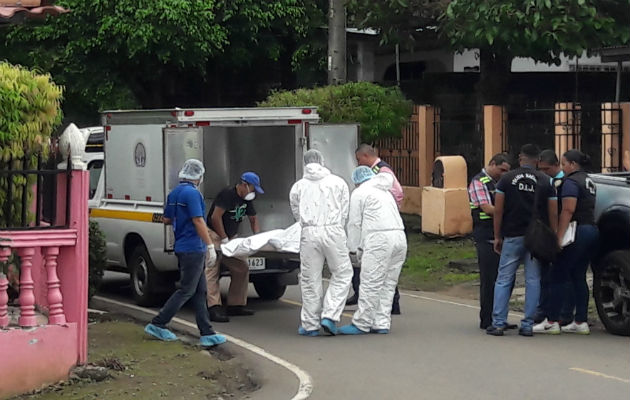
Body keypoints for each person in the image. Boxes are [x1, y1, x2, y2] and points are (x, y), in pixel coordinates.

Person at [144, 159, 226, 347]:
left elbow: (166, 219)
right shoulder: (193, 194)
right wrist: (210, 246)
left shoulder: (175, 193)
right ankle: (158, 323)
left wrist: (180, 222)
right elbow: (198, 220)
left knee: (199, 291)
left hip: (182, 245)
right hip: (193, 248)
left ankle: (206, 332)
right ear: (198, 176)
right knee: (187, 290)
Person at [487, 144, 558, 337]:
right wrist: (553, 235)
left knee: (503, 279)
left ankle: (499, 323)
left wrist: (497, 236)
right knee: (533, 280)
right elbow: (553, 210)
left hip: (512, 234)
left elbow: (498, 210)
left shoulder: (506, 179)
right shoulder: (546, 180)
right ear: (537, 160)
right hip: (536, 237)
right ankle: (527, 324)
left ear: (520, 158)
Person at [534, 150, 599, 335]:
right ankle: (581, 321)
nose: (562, 168)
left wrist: (559, 237)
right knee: (578, 276)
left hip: (576, 231)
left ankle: (552, 321)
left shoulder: (571, 182)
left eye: (564, 164)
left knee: (558, 275)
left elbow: (568, 210)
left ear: (572, 164)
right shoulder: (589, 180)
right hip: (592, 230)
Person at [290, 149, 353, 336]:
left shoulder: (298, 186)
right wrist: (337, 227)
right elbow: (344, 208)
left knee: (310, 278)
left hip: (309, 232)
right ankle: (330, 315)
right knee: (342, 273)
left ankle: (309, 325)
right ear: (322, 161)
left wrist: (308, 224)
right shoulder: (338, 182)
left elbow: (296, 212)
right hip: (333, 230)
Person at [338, 166, 407, 335]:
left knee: (370, 282)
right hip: (399, 237)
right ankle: (381, 321)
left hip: (379, 238)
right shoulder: (386, 191)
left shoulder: (360, 193)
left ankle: (362, 322)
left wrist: (352, 249)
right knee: (388, 283)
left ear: (356, 181)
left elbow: (354, 223)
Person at [349, 144, 403, 315]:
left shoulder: (382, 171)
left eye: (359, 160)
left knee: (377, 274)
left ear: (365, 155)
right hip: (391, 231)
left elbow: (398, 192)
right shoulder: (377, 173)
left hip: (381, 229)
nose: (358, 164)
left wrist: (385, 210)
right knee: (385, 273)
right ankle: (381, 314)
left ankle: (375, 313)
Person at [205, 172, 263, 322]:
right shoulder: (227, 195)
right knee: (212, 269)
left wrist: (258, 238)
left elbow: (253, 218)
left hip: (232, 237)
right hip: (215, 234)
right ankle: (214, 307)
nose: (253, 192)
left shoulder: (246, 199)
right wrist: (223, 238)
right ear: (244, 185)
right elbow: (215, 217)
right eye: (252, 188)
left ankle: (236, 305)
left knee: (241, 268)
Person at [468, 153, 512, 330]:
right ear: (492, 164)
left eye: (507, 171)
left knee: (505, 278)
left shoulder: (500, 183)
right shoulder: (479, 182)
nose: (503, 174)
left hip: (502, 234)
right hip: (485, 234)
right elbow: (487, 208)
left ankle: (500, 316)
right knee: (489, 278)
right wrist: (511, 212)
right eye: (501, 170)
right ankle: (487, 319)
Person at [535, 149, 575, 326]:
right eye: (540, 169)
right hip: (547, 231)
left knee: (562, 275)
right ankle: (545, 310)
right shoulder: (547, 181)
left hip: (562, 232)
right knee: (546, 275)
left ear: (556, 165)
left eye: (546, 169)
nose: (543, 172)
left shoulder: (564, 182)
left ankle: (563, 313)